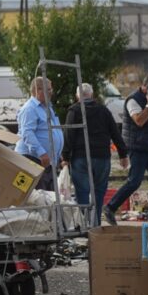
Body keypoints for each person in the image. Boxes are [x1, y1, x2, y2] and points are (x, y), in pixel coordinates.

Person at [61, 83, 129, 225]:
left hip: (80, 157)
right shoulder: (103, 111)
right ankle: (96, 223)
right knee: (99, 192)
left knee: (82, 192)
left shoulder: (74, 111)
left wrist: (65, 157)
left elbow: (69, 135)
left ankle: (86, 225)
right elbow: (115, 132)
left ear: (77, 96)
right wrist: (123, 154)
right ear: (91, 95)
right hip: (102, 157)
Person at [104, 73, 148, 224]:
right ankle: (110, 207)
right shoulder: (133, 100)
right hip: (138, 148)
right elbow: (139, 121)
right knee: (134, 182)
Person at [15, 76, 63, 191]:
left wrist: (58, 153)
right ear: (38, 90)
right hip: (33, 160)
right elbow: (27, 133)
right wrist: (42, 153)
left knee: (48, 198)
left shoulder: (46, 107)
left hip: (46, 161)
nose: (52, 92)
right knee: (38, 199)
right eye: (49, 89)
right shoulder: (30, 109)